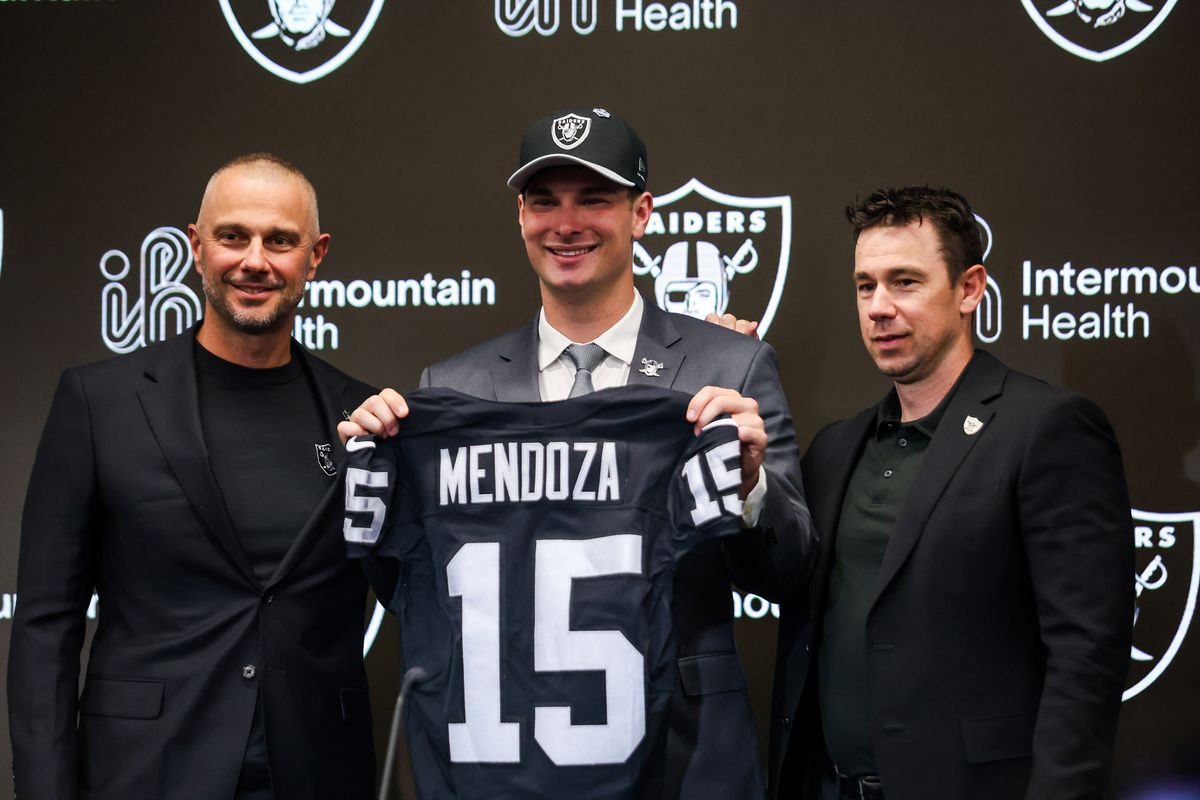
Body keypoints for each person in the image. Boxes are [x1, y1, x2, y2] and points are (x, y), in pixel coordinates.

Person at [341, 107, 814, 799]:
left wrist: (747, 488)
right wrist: (380, 482)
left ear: (643, 212)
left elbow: (793, 572)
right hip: (507, 758)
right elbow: (421, 591)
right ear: (521, 217)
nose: (567, 224)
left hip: (684, 757)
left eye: (594, 199)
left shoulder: (729, 365)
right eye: (544, 202)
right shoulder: (453, 387)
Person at [8, 153, 377, 800]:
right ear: (196, 247)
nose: (255, 261)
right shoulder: (100, 403)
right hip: (144, 770)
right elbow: (46, 624)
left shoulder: (363, 416)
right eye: (233, 236)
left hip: (318, 772)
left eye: (280, 240)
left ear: (315, 255)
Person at [768, 186, 1134, 800]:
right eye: (865, 286)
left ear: (969, 289)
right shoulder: (834, 448)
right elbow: (781, 586)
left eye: (904, 281)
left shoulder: (1047, 428)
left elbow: (1087, 657)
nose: (878, 307)